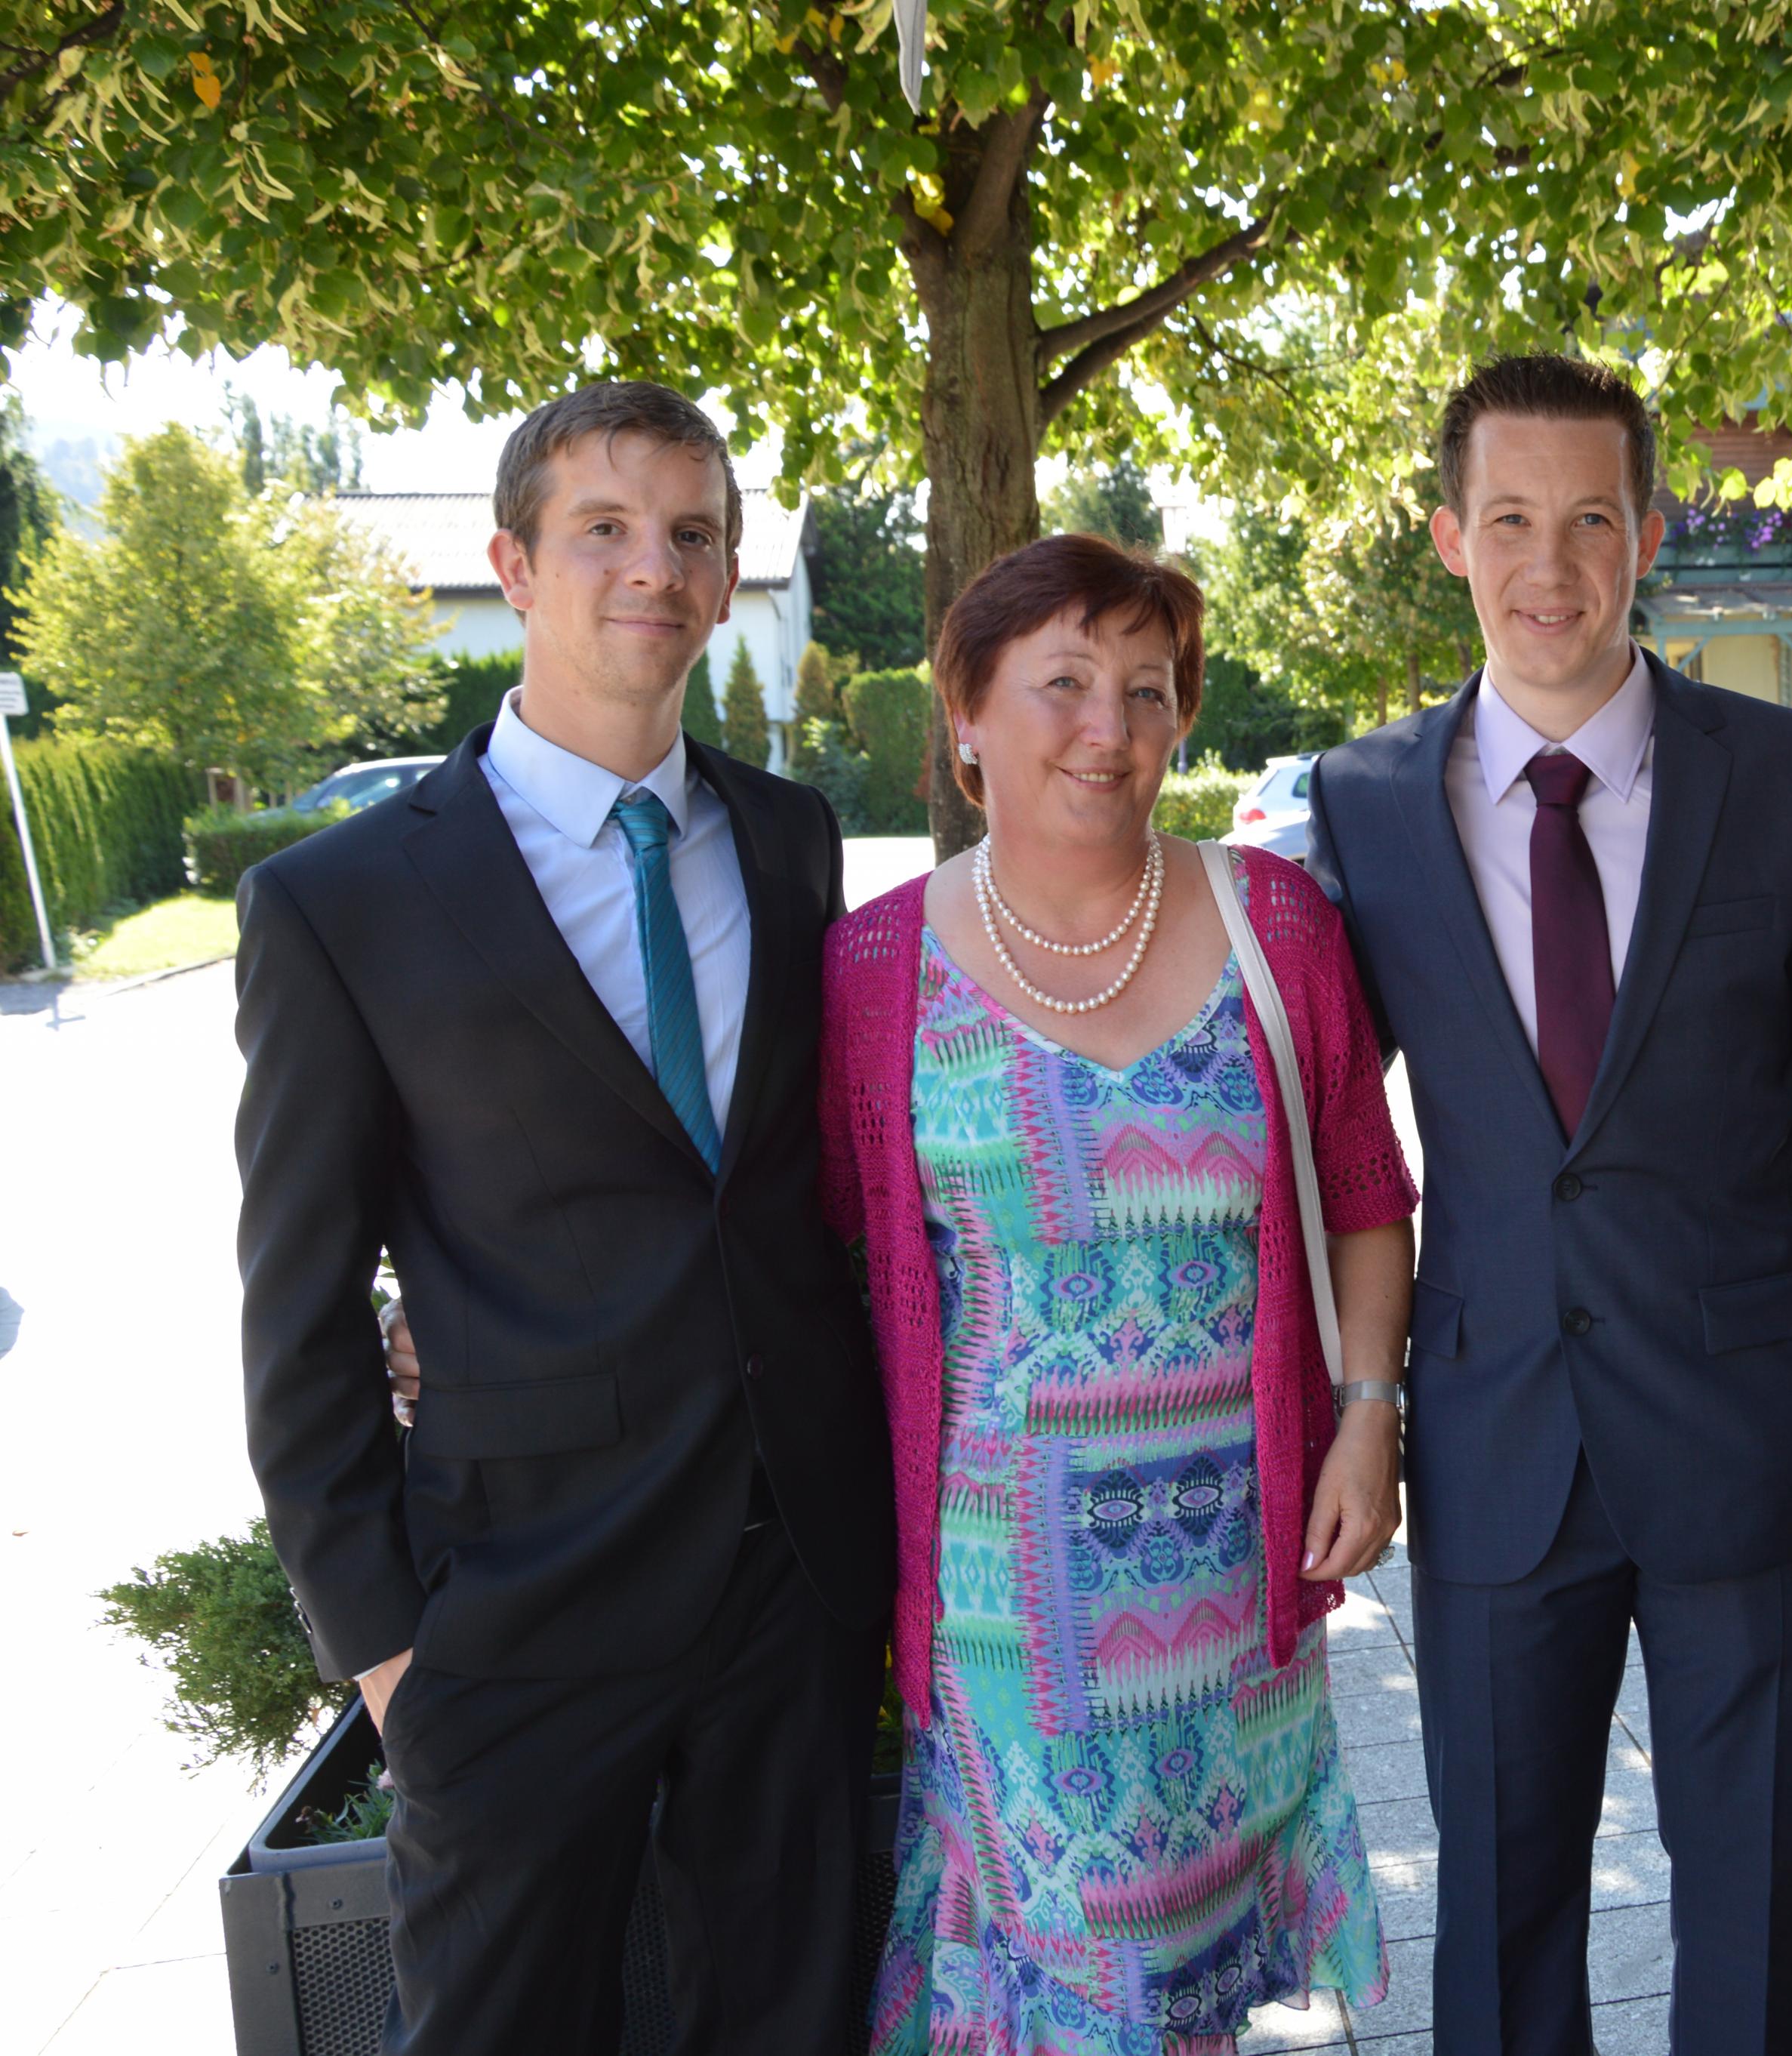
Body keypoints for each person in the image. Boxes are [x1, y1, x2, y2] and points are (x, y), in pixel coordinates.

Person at [1304, 355, 1792, 2056]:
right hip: (1493, 1435)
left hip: (1747, 1432)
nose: (1550, 567)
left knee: (1749, 1906)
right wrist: (1344, 1411)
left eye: (1592, 521)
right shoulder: (1363, 805)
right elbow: (1331, 1145)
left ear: (1651, 532)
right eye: (1510, 521)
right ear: (1450, 538)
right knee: (1497, 1908)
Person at [236, 381, 893, 2054]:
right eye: (603, 527)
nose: (653, 566)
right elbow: (299, 1314)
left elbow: (782, 1196)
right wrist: (389, 1659)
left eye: (692, 534)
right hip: (516, 1613)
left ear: (726, 575)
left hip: (789, 1584)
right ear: (514, 566)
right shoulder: (339, 905)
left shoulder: (789, 842)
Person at [819, 534, 1409, 2054]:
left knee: (1188, 1978)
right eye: (1065, 683)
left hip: (1232, 1565)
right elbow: (821, 1259)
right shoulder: (875, 969)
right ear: (964, 713)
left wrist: (1366, 1418)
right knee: (1067, 1975)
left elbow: (1363, 1189)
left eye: (1149, 690)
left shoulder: (1274, 920)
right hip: (1002, 1593)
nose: (1111, 727)